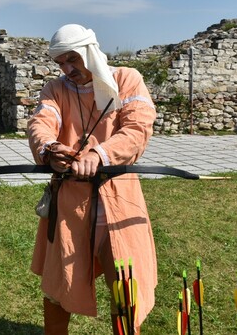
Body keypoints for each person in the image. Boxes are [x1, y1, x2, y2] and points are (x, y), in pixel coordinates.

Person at [27, 24, 157, 334]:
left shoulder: (126, 79)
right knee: (59, 286)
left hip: (119, 201)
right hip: (70, 204)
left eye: (72, 59)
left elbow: (137, 128)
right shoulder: (56, 89)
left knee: (126, 286)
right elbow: (41, 123)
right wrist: (50, 149)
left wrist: (99, 155)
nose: (67, 69)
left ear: (90, 52)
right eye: (60, 63)